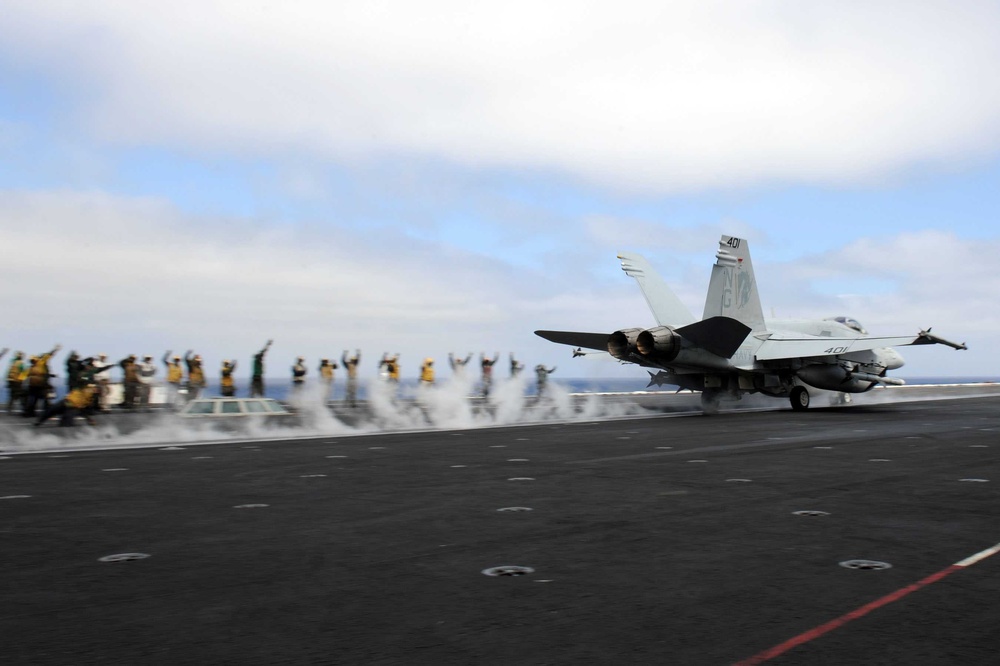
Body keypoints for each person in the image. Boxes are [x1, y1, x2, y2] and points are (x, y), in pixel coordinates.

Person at [34, 357, 111, 427]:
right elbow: (83, 376)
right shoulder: (84, 385)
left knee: (65, 424)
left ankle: (42, 421)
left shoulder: (89, 396)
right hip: (66, 402)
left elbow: (82, 409)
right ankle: (39, 422)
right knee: (50, 411)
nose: (96, 390)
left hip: (72, 408)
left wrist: (89, 420)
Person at [24, 344, 61, 417]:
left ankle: (30, 413)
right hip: (41, 385)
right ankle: (47, 412)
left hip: (32, 385)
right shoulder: (41, 363)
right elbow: (49, 355)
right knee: (46, 398)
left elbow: (24, 376)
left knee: (33, 399)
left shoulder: (31, 367)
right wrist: (55, 349)